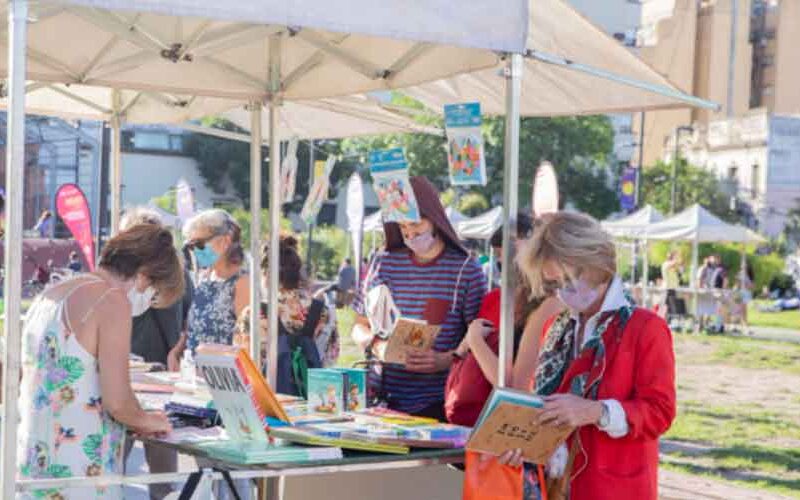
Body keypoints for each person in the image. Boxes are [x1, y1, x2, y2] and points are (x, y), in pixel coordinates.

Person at [497, 212, 676, 500]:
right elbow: (545, 407)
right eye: (552, 285)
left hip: (614, 487)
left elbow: (660, 412)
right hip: (556, 485)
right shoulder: (557, 327)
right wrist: (522, 445)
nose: (562, 294)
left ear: (596, 266)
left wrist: (596, 412)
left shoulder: (645, 328)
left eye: (568, 280)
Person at [18, 223, 181, 499]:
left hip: (37, 462)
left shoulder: (53, 293)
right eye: (154, 294)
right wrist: (151, 420)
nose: (147, 301)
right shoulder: (111, 300)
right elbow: (118, 402)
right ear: (144, 277)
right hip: (81, 470)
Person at [351, 176, 487, 419]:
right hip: (378, 400)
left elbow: (480, 335)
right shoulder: (382, 261)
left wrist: (444, 360)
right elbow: (358, 325)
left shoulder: (466, 269)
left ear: (433, 218)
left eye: (415, 224)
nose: (410, 234)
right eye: (402, 227)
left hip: (437, 403)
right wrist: (376, 345)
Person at [445, 213, 563, 426]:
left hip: (516, 423)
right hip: (492, 418)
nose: (503, 262)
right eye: (499, 255)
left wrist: (476, 341)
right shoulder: (510, 299)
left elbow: (512, 385)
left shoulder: (547, 305)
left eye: (511, 252)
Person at [119, 208, 194, 500]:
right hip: (155, 374)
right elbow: (182, 319)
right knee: (161, 467)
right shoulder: (167, 273)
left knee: (126, 462)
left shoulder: (141, 277)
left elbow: (177, 317)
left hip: (148, 373)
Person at [248, 235, 338, 395]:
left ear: (265, 274)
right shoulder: (324, 311)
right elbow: (330, 358)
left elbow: (244, 362)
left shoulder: (255, 312)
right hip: (312, 398)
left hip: (268, 399)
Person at [174, 209, 249, 357]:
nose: (194, 251)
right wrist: (178, 350)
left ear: (225, 241)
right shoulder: (204, 278)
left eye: (199, 244)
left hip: (223, 374)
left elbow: (247, 343)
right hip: (194, 371)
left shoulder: (242, 283)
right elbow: (193, 327)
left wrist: (210, 352)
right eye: (190, 246)